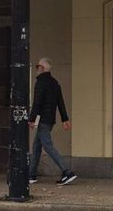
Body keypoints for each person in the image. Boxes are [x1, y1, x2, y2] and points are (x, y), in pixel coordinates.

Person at [29, 57, 77, 185]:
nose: (36, 69)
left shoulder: (40, 82)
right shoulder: (55, 83)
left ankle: (67, 172)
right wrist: (65, 119)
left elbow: (37, 102)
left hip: (42, 119)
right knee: (37, 146)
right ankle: (31, 174)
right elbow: (60, 102)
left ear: (42, 68)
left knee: (47, 146)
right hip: (49, 119)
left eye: (37, 66)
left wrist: (31, 119)